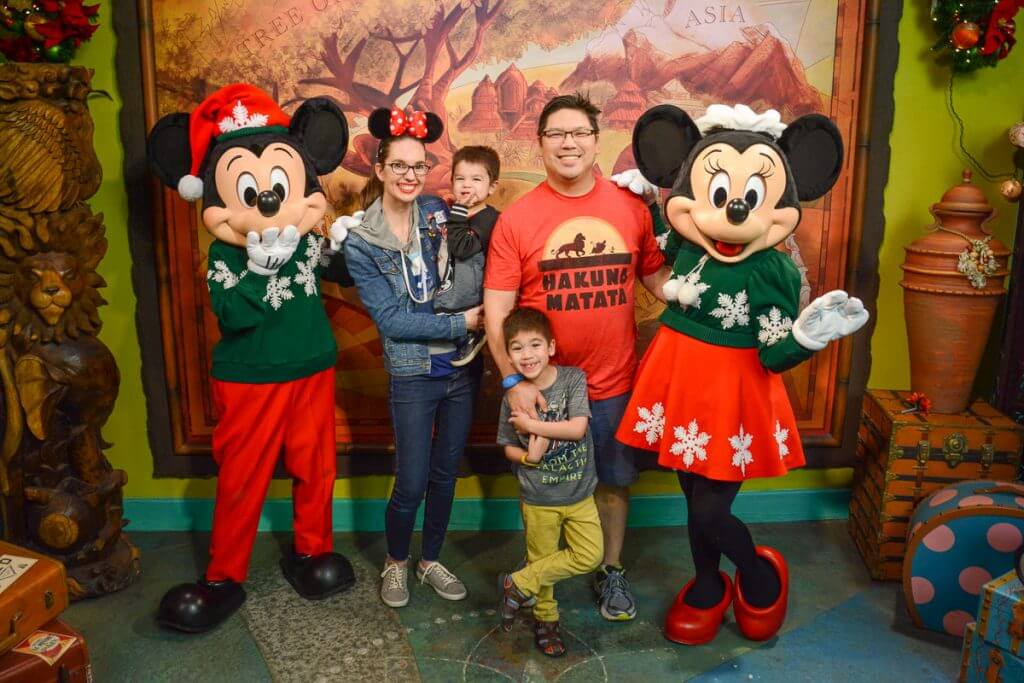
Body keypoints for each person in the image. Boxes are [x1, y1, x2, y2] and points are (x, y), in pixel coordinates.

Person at [618, 103, 868, 644]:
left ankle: (756, 572)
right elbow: (663, 241)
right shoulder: (686, 244)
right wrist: (644, 197)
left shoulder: (772, 268)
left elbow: (773, 354)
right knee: (692, 493)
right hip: (678, 378)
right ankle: (709, 582)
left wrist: (805, 337)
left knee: (711, 506)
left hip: (733, 392)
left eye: (752, 198)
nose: (730, 215)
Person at [146, 84, 356, 633]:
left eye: (281, 185)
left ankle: (312, 551)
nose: (268, 201)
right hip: (250, 379)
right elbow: (234, 316)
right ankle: (222, 577)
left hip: (312, 366)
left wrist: (360, 241)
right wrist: (260, 272)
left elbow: (337, 272)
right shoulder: (223, 255)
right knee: (243, 476)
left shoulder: (310, 239)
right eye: (249, 189)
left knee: (316, 466)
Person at [483, 93, 672, 621]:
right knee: (544, 487)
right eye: (556, 134)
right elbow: (497, 311)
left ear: (596, 139)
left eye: (579, 133)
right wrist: (510, 383)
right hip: (543, 389)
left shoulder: (630, 208)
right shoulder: (518, 220)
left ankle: (610, 571)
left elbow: (657, 279)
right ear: (539, 142)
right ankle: (539, 585)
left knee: (612, 483)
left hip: (612, 383)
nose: (568, 143)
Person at [342, 106, 485, 608]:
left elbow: (481, 253)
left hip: (463, 368)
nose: (409, 175)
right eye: (399, 166)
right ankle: (397, 563)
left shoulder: (439, 214)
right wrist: (462, 322)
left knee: (447, 474)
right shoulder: (362, 242)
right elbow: (393, 321)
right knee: (413, 479)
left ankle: (431, 561)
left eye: (418, 166)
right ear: (379, 169)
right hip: (413, 374)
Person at [495, 307, 602, 657]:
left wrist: (533, 427)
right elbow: (509, 447)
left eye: (535, 345)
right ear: (508, 354)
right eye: (517, 348)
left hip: (579, 491)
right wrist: (530, 457)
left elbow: (577, 428)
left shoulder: (572, 379)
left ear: (551, 347)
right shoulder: (512, 398)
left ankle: (518, 583)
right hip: (539, 495)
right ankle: (546, 621)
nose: (527, 355)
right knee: (543, 560)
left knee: (589, 555)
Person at [434, 145, 501, 367]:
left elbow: (462, 247)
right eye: (460, 178)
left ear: (492, 187)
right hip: (449, 288)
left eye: (476, 179)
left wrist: (459, 210)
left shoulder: (488, 218)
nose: (466, 185)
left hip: (471, 297)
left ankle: (475, 334)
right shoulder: (449, 213)